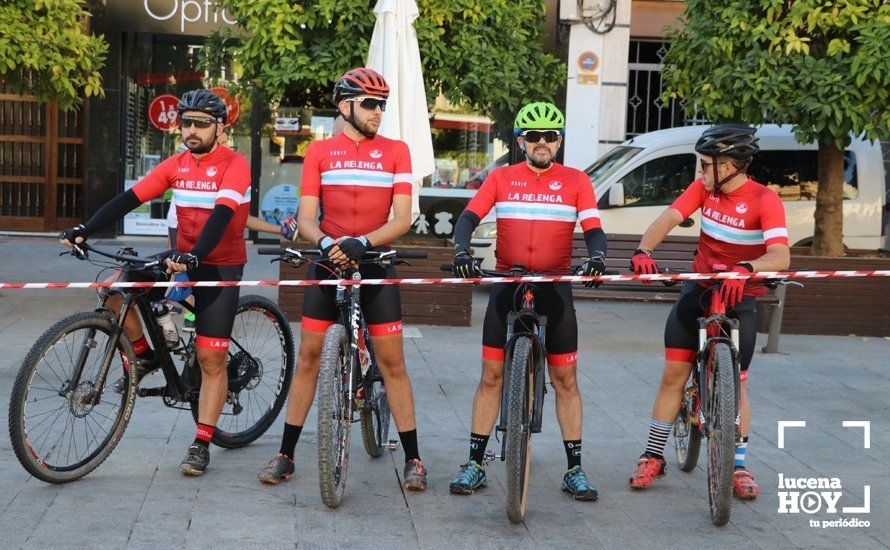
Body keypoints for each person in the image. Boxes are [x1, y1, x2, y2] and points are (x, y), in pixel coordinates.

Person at [60, 89, 252, 477]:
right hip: (182, 257)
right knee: (117, 287)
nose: (192, 130)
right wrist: (85, 228)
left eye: (201, 123)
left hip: (219, 264)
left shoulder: (235, 164)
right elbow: (129, 199)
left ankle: (201, 443)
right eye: (186, 122)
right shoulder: (176, 164)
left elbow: (222, 215)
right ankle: (146, 353)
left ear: (220, 127)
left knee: (212, 358)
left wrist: (195, 256)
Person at [257, 67, 428, 491]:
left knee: (393, 364)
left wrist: (363, 243)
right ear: (345, 106)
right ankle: (286, 455)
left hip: (374, 263)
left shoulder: (397, 151)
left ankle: (414, 459)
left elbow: (403, 217)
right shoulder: (320, 153)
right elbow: (307, 220)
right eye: (370, 104)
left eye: (382, 105)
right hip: (328, 260)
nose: (378, 112)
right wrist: (330, 241)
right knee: (309, 359)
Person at [448, 102, 607, 501]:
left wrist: (597, 258)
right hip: (508, 282)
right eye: (533, 136)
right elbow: (468, 218)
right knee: (490, 377)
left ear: (559, 142)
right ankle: (475, 463)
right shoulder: (501, 177)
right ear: (521, 141)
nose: (541, 143)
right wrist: (462, 252)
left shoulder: (576, 181)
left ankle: (575, 468)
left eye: (549, 136)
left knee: (566, 380)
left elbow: (593, 229)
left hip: (555, 286)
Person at [627, 124, 790, 499]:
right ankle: (653, 455)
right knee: (673, 375)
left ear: (731, 166)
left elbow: (780, 254)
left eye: (706, 165)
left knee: (740, 385)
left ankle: (738, 466)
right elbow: (670, 216)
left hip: (739, 295)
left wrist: (747, 269)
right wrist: (644, 250)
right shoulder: (704, 189)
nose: (700, 172)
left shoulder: (765, 200)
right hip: (699, 290)